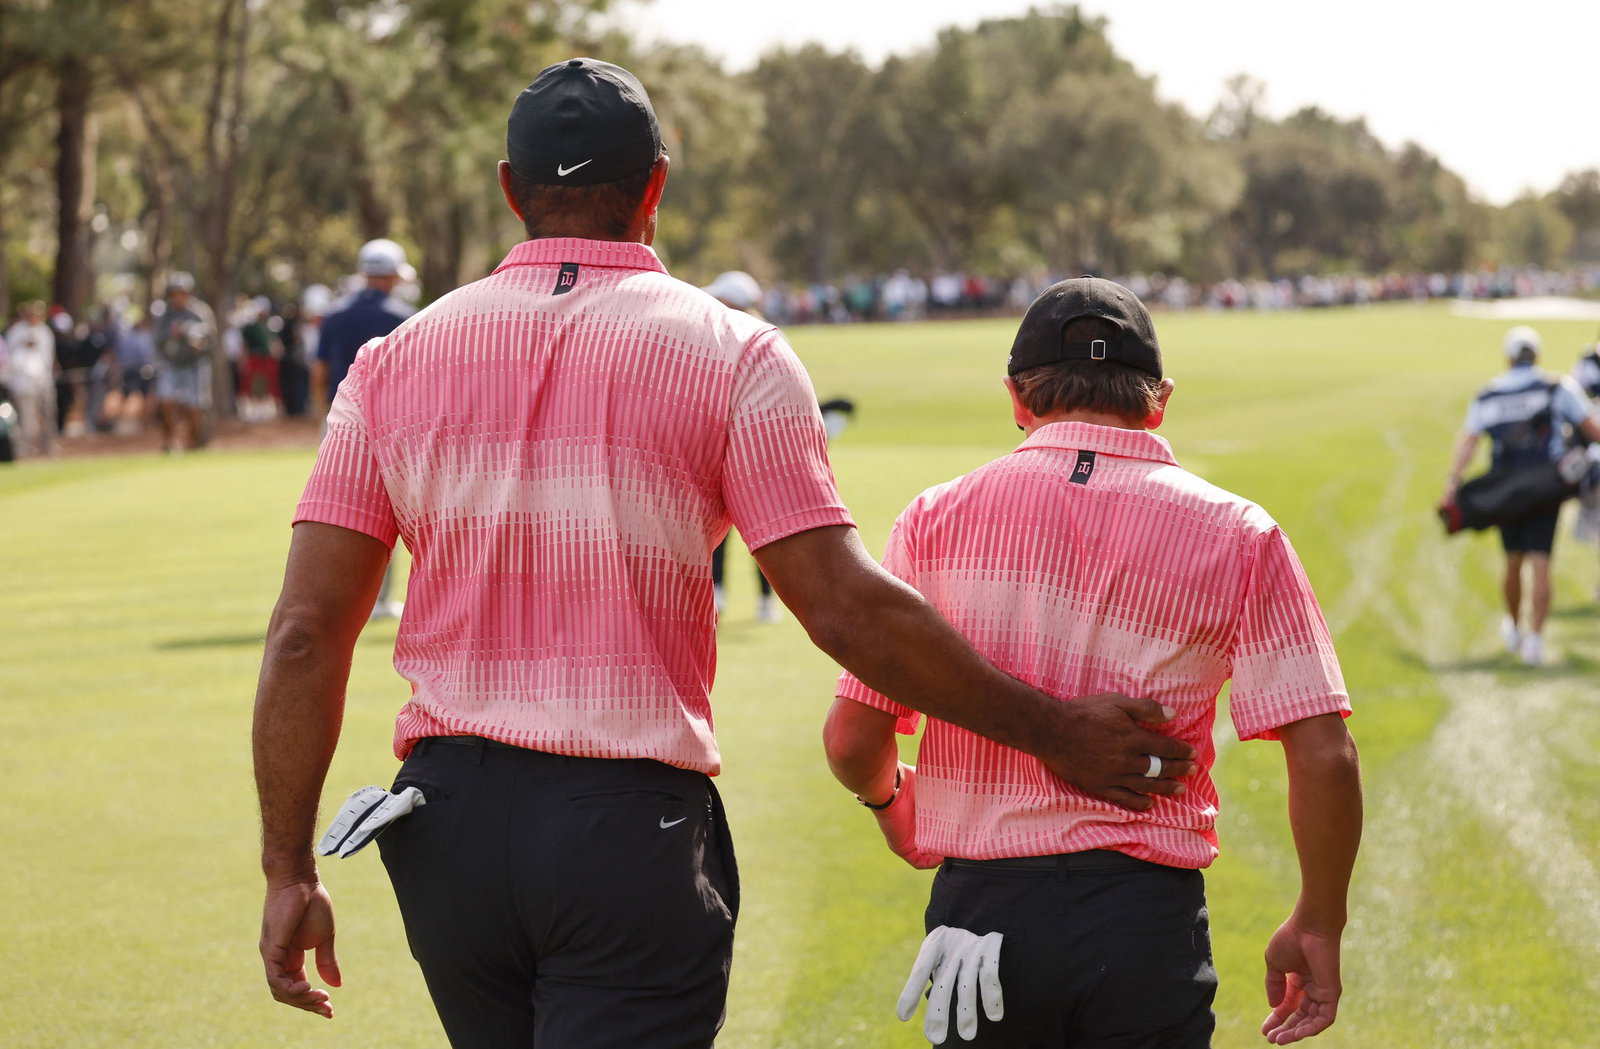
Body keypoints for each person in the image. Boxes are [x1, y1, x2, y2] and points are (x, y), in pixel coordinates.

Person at [251, 59, 1196, 1048]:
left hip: (444, 826)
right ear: (655, 184)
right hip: (623, 827)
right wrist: (1052, 729)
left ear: (508, 188)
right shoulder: (732, 351)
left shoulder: (394, 359)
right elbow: (843, 609)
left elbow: (306, 632)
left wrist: (288, 872)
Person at [824, 277, 1363, 1047]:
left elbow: (851, 739)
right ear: (1158, 400)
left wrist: (890, 805)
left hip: (983, 925)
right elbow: (1326, 755)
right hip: (1145, 927)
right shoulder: (1240, 531)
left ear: (1017, 395)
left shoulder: (934, 518)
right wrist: (1319, 917)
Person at [1442, 325, 1600, 664]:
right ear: (1537, 356)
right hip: (1547, 488)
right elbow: (1592, 429)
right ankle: (1535, 641)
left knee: (1513, 561)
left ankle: (1514, 627)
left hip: (1506, 493)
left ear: (1508, 357)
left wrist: (1452, 484)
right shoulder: (1557, 387)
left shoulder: (1489, 395)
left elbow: (1469, 442)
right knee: (1541, 561)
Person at [311, 240, 416, 618]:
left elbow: (320, 370)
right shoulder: (405, 315)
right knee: (396, 515)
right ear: (392, 275)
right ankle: (382, 600)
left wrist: (322, 413)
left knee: (345, 516)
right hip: (394, 424)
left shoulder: (334, 315)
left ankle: (350, 601)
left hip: (341, 423)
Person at [702, 269, 783, 621]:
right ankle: (718, 598)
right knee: (719, 534)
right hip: (727, 451)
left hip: (757, 456)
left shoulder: (761, 342)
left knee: (764, 538)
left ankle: (767, 601)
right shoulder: (724, 336)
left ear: (733, 302)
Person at [151, 273, 217, 452]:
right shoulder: (164, 314)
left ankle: (195, 443)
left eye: (182, 292)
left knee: (194, 406)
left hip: (194, 364)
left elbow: (210, 339)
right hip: (171, 363)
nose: (179, 296)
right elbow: (157, 339)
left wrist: (198, 343)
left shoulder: (200, 312)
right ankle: (170, 442)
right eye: (175, 293)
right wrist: (173, 335)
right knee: (166, 402)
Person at [2, 301, 57, 457]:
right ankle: (24, 449)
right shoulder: (16, 332)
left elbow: (49, 356)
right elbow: (11, 359)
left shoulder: (45, 332)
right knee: (27, 419)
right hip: (22, 384)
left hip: (43, 381)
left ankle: (48, 446)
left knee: (48, 415)